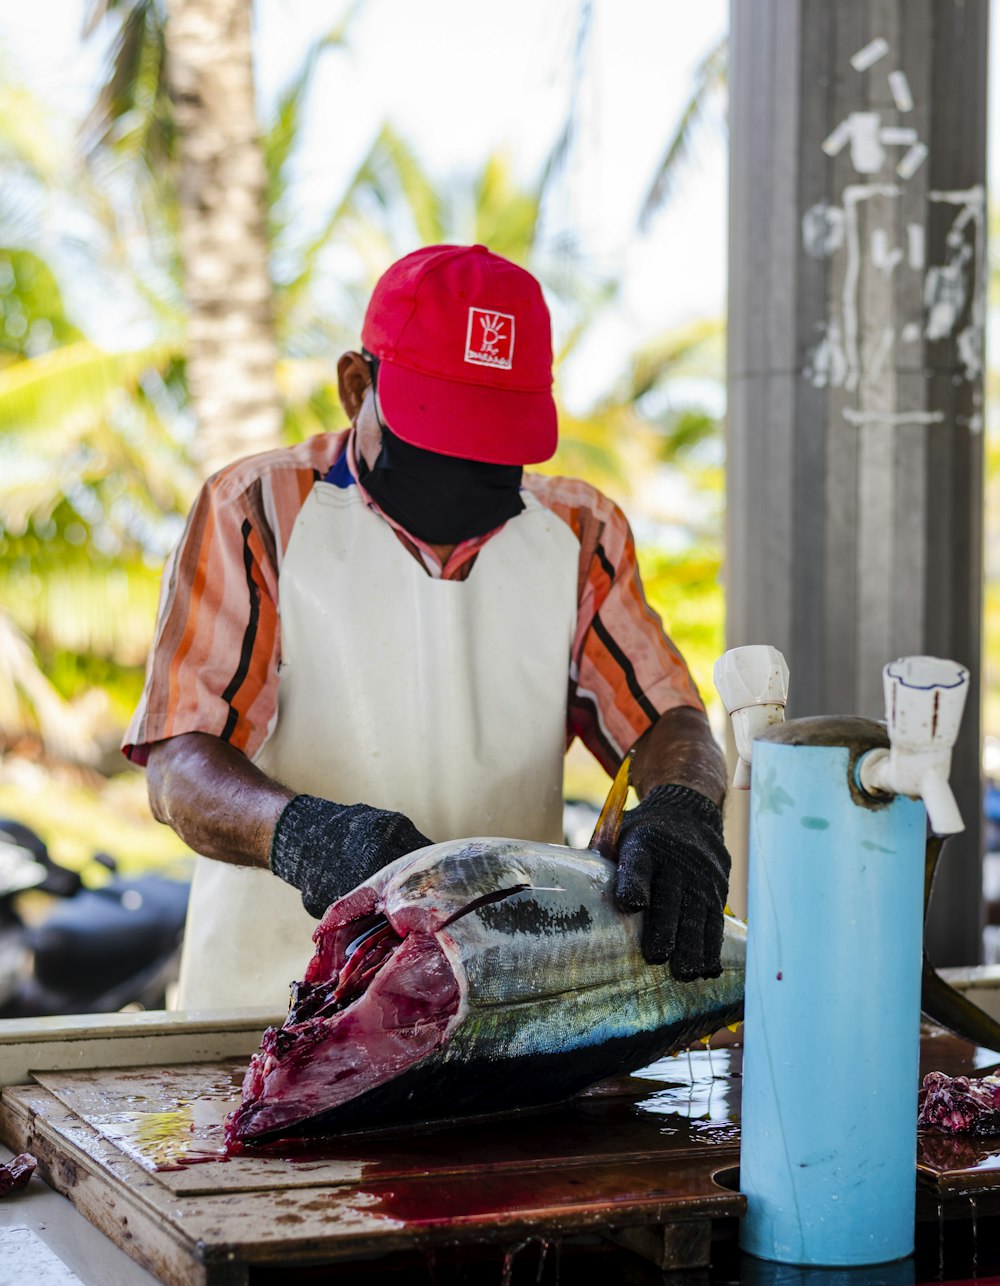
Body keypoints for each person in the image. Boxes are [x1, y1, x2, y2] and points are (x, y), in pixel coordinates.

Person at [123, 243, 730, 1011]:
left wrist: (682, 806)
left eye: (492, 447)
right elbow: (178, 766)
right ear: (356, 386)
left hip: (497, 1012)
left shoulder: (580, 532)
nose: (464, 470)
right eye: (438, 433)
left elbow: (667, 720)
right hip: (260, 1016)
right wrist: (308, 835)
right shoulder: (257, 511)